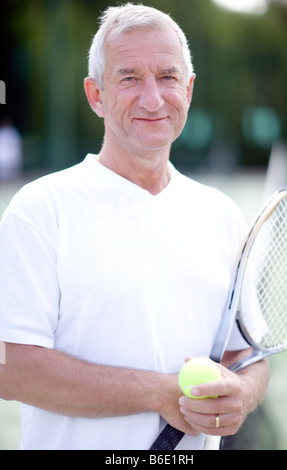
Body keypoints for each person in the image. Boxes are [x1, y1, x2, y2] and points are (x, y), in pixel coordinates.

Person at [0, 4, 269, 450]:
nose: (153, 98)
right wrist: (158, 393)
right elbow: (10, 368)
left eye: (168, 76)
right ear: (96, 95)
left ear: (189, 88)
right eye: (129, 78)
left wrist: (245, 392)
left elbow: (247, 355)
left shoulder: (222, 215)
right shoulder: (40, 210)